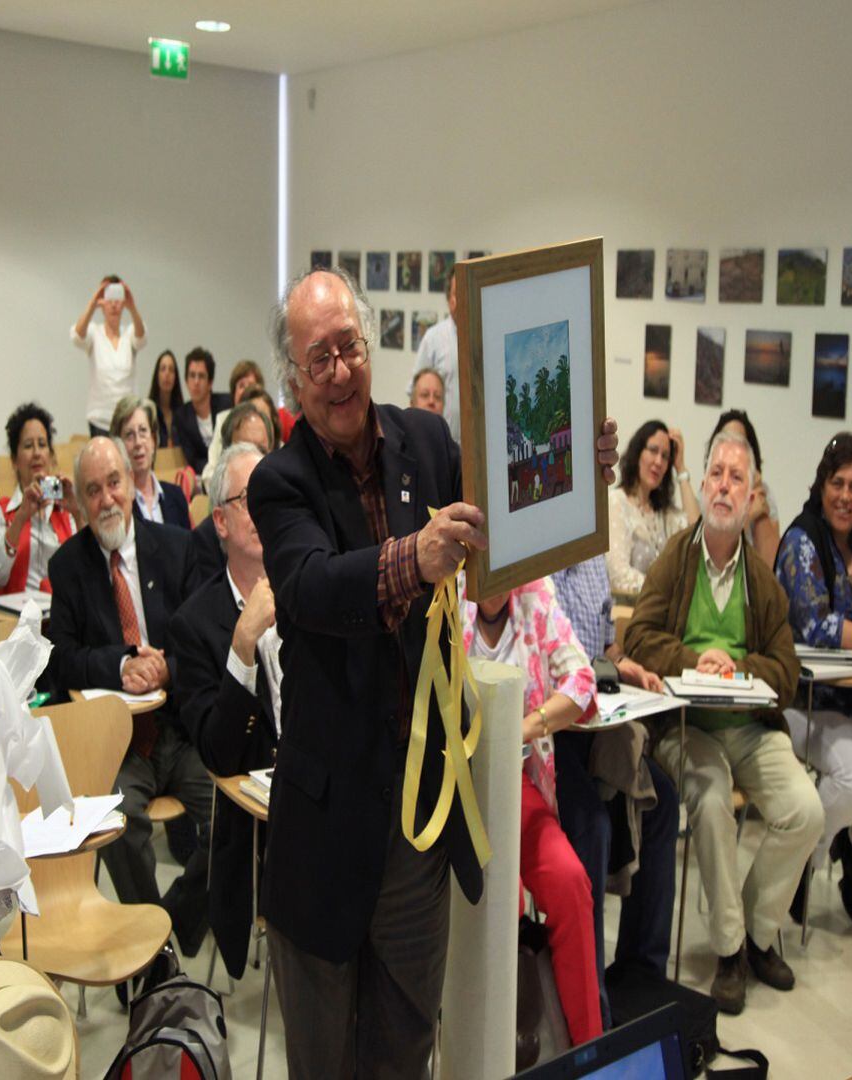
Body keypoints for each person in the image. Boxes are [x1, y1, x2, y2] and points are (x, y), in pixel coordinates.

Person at [247, 265, 619, 1078]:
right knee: (325, 1064)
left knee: (405, 1052)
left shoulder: (426, 441)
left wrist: (573, 466)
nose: (341, 369)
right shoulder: (280, 484)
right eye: (320, 357)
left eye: (350, 346)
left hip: (419, 830)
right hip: (326, 835)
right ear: (294, 377)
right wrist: (413, 557)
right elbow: (312, 589)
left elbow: (510, 525)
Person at [626, 430, 824, 1016]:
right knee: (711, 802)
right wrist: (695, 661)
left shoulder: (762, 581)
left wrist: (736, 666)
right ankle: (730, 952)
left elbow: (786, 671)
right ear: (703, 480)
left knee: (805, 810)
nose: (723, 486)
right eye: (715, 473)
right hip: (689, 731)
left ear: (752, 494)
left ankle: (758, 934)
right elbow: (638, 636)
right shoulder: (676, 558)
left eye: (737, 478)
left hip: (750, 731)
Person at [46, 437, 210, 956]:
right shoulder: (68, 567)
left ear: (131, 483)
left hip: (180, 733)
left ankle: (172, 922)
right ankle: (152, 957)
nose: (106, 499)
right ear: (80, 502)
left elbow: (204, 642)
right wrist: (121, 664)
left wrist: (166, 667)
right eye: (92, 490)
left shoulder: (178, 548)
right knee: (114, 819)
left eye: (113, 482)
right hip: (117, 746)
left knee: (237, 816)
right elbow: (60, 659)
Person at [463, 579, 603, 1047]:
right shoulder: (444, 592)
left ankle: (589, 1052)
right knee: (495, 895)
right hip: (452, 788)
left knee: (570, 882)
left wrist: (524, 727)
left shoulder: (535, 595)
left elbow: (583, 682)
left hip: (515, 781)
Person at [551, 555, 678, 1028]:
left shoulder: (591, 555)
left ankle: (641, 978)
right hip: (548, 727)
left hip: (597, 719)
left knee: (662, 801)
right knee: (593, 827)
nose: (606, 477)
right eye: (601, 473)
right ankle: (591, 1008)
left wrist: (624, 667)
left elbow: (605, 646)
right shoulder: (535, 556)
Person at [171, 443, 280, 978]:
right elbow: (217, 753)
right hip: (252, 810)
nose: (265, 510)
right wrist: (242, 644)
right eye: (249, 500)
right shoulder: (194, 624)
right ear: (220, 520)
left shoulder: (308, 585)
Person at [776, 432, 852, 924]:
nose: (845, 496)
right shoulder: (801, 540)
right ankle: (800, 864)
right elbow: (810, 624)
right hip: (804, 701)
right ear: (821, 485)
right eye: (837, 483)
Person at [0, 402, 81, 595]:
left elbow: (91, 569)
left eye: (42, 445)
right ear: (14, 460)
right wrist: (20, 518)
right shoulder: (1, 512)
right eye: (28, 446)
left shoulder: (66, 510)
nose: (36, 453)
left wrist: (78, 513)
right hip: (17, 619)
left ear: (51, 456)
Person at [607, 419, 699, 599]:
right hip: (627, 615)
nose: (659, 461)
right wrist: (666, 592)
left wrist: (681, 469)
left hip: (662, 614)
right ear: (638, 452)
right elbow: (618, 575)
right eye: (653, 450)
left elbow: (697, 539)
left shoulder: (663, 513)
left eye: (665, 456)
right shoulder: (617, 502)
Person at [192, 403, 275, 582]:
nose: (254, 461)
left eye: (261, 451)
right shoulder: (205, 540)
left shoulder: (287, 517)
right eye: (244, 449)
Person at [71, 275, 147, 436]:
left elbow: (141, 338)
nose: (113, 304)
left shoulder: (129, 333)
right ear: (102, 302)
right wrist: (94, 301)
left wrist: (132, 306)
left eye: (117, 298)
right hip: (99, 420)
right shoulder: (94, 332)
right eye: (109, 298)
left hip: (128, 418)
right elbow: (77, 336)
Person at [707, 409, 780, 568]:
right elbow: (714, 555)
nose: (731, 448)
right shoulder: (709, 490)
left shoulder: (763, 494)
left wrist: (757, 490)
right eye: (725, 439)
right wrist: (746, 518)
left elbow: (770, 564)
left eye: (739, 441)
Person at [109, 394, 191, 529]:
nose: (138, 443)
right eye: (129, 434)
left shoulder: (176, 496)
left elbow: (189, 549)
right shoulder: (117, 504)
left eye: (143, 431)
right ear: (118, 445)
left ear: (153, 440)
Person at [408, 265, 460, 438]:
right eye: (457, 295)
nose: (463, 301)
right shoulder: (434, 339)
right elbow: (415, 393)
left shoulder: (483, 337)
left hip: (475, 446)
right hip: (440, 443)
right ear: (449, 299)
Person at [201, 361, 268, 488]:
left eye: (251, 385)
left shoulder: (267, 419)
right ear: (234, 392)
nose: (246, 391)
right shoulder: (223, 420)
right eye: (241, 385)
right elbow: (211, 470)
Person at [174, 346, 232, 475]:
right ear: (186, 381)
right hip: (204, 476)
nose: (196, 382)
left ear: (210, 382)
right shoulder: (181, 416)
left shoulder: (227, 404)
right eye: (192, 375)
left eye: (201, 376)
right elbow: (192, 459)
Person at [147, 348, 183, 448]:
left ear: (176, 377)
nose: (167, 374)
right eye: (163, 369)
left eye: (171, 370)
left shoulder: (182, 414)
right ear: (156, 375)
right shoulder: (148, 413)